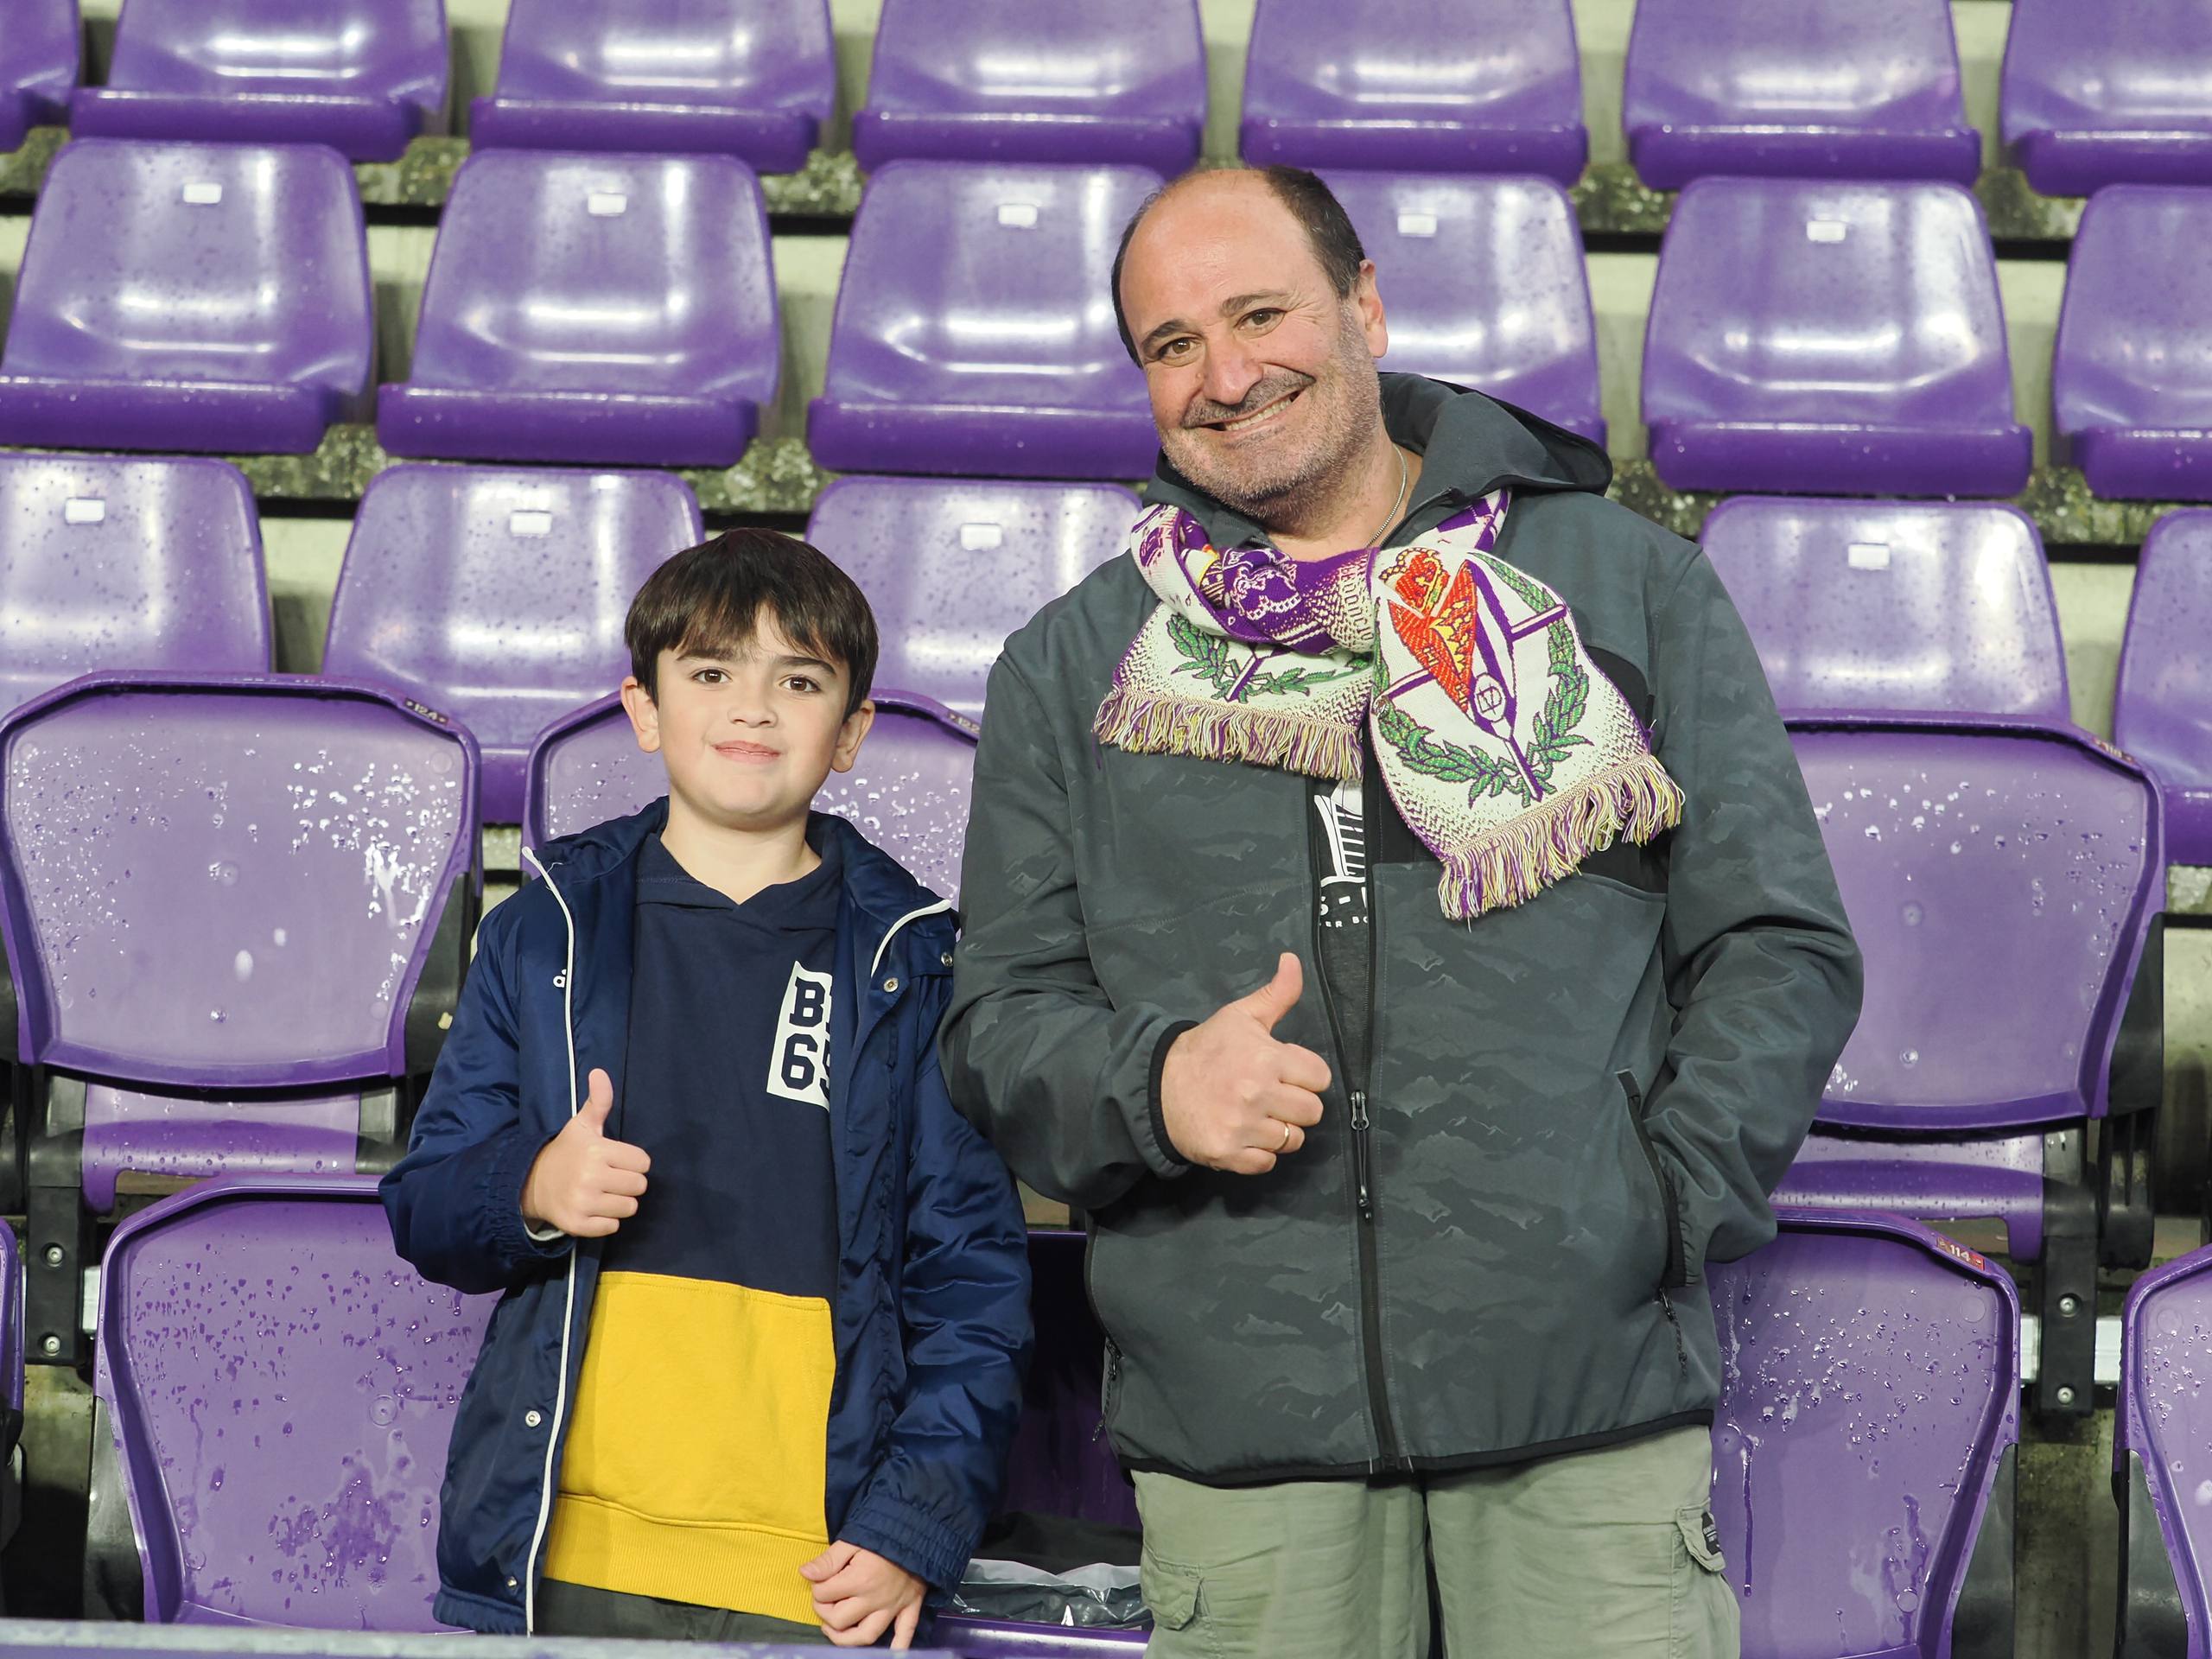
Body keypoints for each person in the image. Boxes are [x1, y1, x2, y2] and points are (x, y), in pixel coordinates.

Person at [941, 165, 1863, 1658]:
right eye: (1174, 344)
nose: (1227, 375)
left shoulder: (1622, 588)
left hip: (1584, 1403)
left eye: (1261, 314)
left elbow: (1779, 947)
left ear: (1363, 304)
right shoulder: (1077, 665)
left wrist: (1653, 1205)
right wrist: (1154, 1086)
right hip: (1243, 1423)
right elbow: (1000, 1019)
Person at [384, 529, 1032, 1649]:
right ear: (643, 709)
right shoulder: (545, 933)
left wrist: (913, 1524)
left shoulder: (912, 961)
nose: (755, 708)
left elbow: (970, 1277)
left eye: (801, 680)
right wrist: (531, 1186)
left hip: (812, 1569)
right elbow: (428, 1202)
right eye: (713, 672)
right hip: (564, 1553)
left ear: (852, 732)